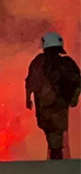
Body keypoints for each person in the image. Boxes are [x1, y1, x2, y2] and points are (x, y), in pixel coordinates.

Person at [25, 32, 81, 160]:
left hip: (45, 104)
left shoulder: (39, 61)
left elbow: (30, 82)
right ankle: (56, 153)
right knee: (57, 130)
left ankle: (55, 155)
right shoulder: (67, 63)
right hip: (60, 103)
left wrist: (28, 99)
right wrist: (74, 98)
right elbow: (77, 81)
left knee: (51, 130)